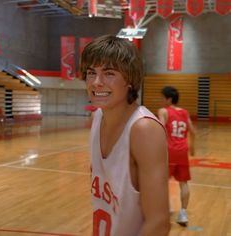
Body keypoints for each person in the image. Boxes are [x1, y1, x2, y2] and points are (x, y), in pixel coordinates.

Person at [80, 35, 170, 236]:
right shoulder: (97, 118)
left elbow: (159, 223)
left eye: (109, 73)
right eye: (91, 73)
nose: (96, 82)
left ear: (129, 79)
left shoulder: (144, 130)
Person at [158, 86, 195, 227]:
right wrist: (192, 148)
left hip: (169, 151)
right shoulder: (185, 112)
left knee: (161, 182)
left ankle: (166, 208)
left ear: (169, 99)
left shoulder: (163, 111)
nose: (161, 100)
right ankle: (183, 213)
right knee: (184, 183)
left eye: (163, 97)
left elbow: (160, 128)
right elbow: (193, 131)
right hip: (182, 151)